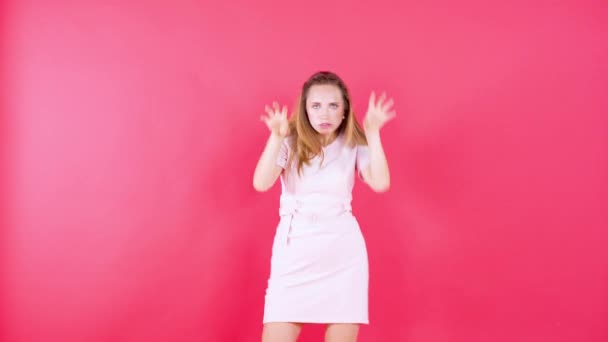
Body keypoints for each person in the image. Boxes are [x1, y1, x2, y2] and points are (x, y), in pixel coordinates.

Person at [253, 71, 395, 342]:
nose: (324, 114)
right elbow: (261, 182)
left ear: (344, 111)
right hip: (294, 252)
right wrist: (275, 137)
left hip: (342, 255)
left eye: (333, 105)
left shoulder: (353, 143)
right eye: (316, 106)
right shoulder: (288, 140)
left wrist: (374, 133)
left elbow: (380, 182)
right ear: (305, 110)